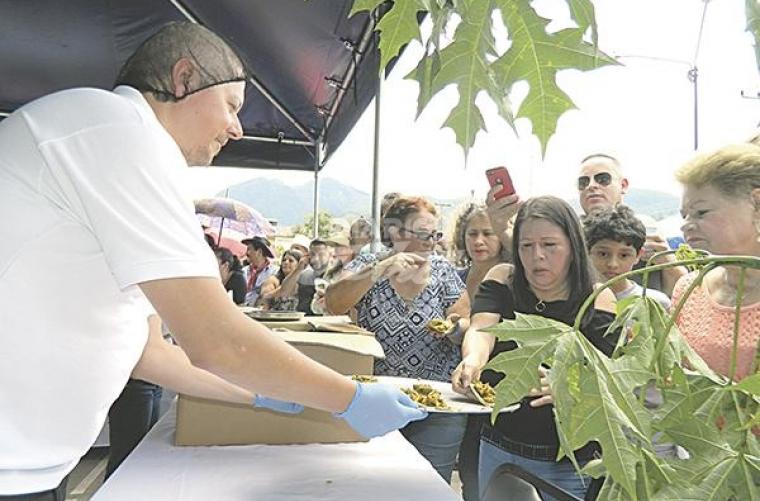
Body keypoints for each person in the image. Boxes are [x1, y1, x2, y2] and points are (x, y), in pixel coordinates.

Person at [0, 21, 425, 498]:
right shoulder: (118, 129)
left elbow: (149, 353)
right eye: (232, 105)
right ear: (184, 79)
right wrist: (350, 398)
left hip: (34, 469)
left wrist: (263, 392)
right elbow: (216, 339)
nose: (238, 128)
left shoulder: (109, 138)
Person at [452, 196, 618, 500]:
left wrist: (569, 387)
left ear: (573, 246)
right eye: (526, 246)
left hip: (569, 463)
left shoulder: (598, 299)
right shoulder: (503, 278)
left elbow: (608, 376)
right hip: (497, 445)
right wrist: (473, 359)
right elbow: (481, 328)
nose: (537, 256)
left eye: (549, 245)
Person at [325, 196, 471, 483]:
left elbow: (463, 320)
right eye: (423, 234)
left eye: (435, 234)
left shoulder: (443, 271)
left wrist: (453, 328)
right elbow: (334, 302)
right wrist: (378, 271)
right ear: (396, 233)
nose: (431, 241)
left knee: (431, 485)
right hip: (377, 400)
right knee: (375, 484)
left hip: (437, 403)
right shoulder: (369, 262)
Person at [673, 143, 760, 381]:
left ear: (757, 205)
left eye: (701, 212)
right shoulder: (689, 289)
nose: (686, 224)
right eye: (684, 215)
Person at [450, 203, 505, 501]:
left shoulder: (512, 280)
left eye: (488, 233)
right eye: (472, 234)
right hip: (458, 382)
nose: (479, 241)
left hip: (496, 388)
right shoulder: (454, 276)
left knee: (479, 469)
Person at [577, 153, 685, 295]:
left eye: (603, 179)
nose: (591, 186)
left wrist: (668, 262)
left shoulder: (647, 229)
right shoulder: (570, 233)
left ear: (623, 185)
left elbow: (685, 296)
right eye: (583, 182)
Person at [584, 205, 671, 310]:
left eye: (624, 255)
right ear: (587, 252)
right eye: (603, 254)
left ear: (638, 255)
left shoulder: (656, 303)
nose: (612, 264)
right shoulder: (576, 301)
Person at [295, 239, 333, 315]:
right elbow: (285, 291)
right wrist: (298, 269)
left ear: (330, 255)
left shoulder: (336, 277)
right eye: (312, 254)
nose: (316, 258)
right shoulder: (304, 275)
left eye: (321, 255)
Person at [241, 236, 278, 306]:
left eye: (249, 249)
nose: (246, 253)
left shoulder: (274, 272)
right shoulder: (243, 271)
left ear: (259, 252)